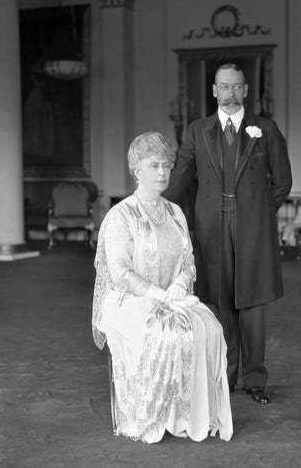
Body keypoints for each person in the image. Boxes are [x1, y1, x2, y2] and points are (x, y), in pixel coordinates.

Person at [91, 131, 233, 443]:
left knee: (209, 327)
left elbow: (188, 262)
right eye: (154, 165)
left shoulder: (175, 213)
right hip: (126, 301)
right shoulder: (120, 216)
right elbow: (119, 274)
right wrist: (158, 295)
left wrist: (180, 286)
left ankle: (191, 415)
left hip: (171, 297)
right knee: (167, 333)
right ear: (136, 170)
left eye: (167, 165)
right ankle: (156, 414)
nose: (162, 172)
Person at [164, 64, 292, 404]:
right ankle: (225, 375)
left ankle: (255, 380)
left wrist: (257, 216)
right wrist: (157, 208)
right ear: (214, 91)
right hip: (211, 227)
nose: (231, 93)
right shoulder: (198, 130)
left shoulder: (265, 129)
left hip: (253, 227)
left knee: (252, 304)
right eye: (224, 86)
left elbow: (282, 183)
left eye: (237, 87)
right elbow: (181, 176)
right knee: (219, 302)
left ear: (246, 90)